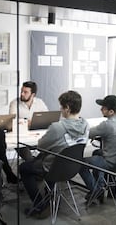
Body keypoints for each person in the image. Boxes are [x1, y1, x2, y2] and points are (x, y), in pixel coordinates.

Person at [19, 90, 89, 218]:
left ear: (67, 108)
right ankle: (49, 196)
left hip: (53, 168)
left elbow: (41, 147)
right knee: (53, 158)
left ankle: (40, 205)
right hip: (73, 167)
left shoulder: (57, 127)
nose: (60, 109)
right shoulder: (85, 125)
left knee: (24, 167)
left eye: (61, 106)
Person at [79, 95, 116, 203]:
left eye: (103, 107)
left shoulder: (107, 125)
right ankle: (100, 185)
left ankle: (96, 189)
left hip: (110, 162)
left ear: (111, 111)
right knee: (96, 152)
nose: (100, 109)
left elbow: (88, 133)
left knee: (80, 164)